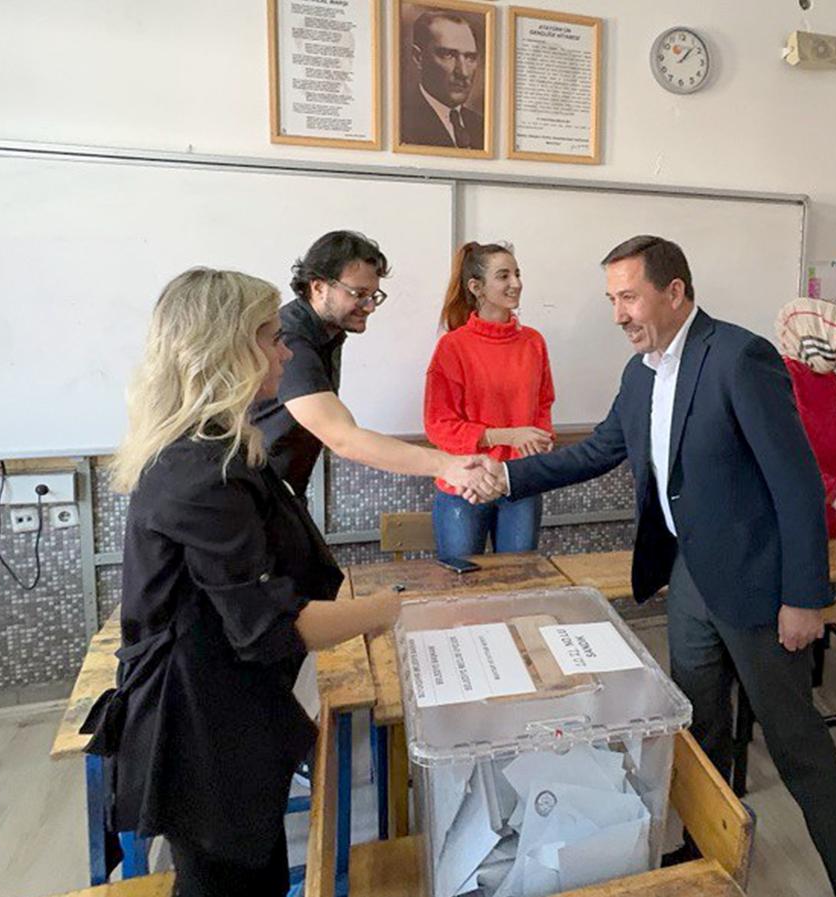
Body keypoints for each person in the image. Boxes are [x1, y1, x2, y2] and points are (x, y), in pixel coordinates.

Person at [479, 236, 836, 897]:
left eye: (629, 298)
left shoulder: (739, 358)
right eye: (612, 300)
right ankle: (702, 857)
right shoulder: (641, 375)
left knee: (795, 743)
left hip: (758, 585)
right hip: (690, 579)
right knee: (697, 730)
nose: (618, 314)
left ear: (675, 292)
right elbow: (597, 452)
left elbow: (797, 482)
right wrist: (506, 476)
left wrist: (805, 596)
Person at [85, 269, 402, 896]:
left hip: (230, 710)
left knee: (256, 870)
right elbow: (271, 626)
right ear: (226, 350)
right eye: (271, 337)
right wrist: (388, 610)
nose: (285, 351)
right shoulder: (202, 471)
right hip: (200, 728)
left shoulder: (219, 447)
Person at [250, 230, 489, 501]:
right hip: (253, 492)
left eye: (374, 296)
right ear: (318, 287)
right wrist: (447, 466)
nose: (369, 306)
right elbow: (343, 438)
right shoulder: (292, 339)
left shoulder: (327, 333)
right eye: (359, 294)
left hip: (280, 491)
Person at [425, 241, 555, 556]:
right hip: (464, 484)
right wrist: (509, 436)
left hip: (519, 484)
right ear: (476, 287)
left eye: (517, 274)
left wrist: (540, 440)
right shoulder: (453, 347)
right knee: (461, 580)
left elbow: (543, 404)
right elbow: (438, 425)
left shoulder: (533, 342)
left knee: (518, 578)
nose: (516, 283)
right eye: (504, 276)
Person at [775, 297, 836, 538]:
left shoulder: (832, 382)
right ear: (813, 332)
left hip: (825, 509)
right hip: (789, 511)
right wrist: (833, 490)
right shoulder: (781, 378)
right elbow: (783, 455)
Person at [399, 9, 485, 149]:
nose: (463, 72)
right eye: (448, 55)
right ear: (418, 57)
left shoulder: (481, 126)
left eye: (470, 58)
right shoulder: (402, 122)